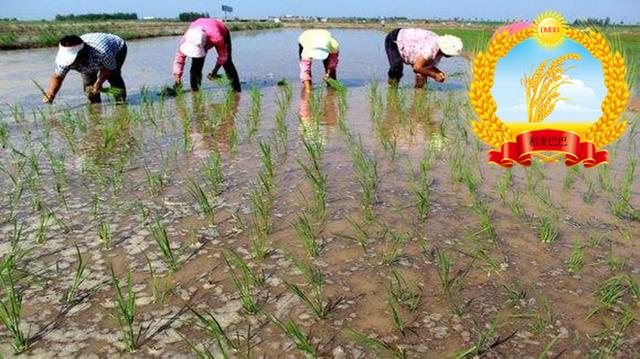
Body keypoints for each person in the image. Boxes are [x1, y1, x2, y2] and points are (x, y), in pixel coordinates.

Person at [43, 33, 127, 104]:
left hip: (117, 48)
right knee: (88, 83)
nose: (70, 64)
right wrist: (51, 94)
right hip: (91, 57)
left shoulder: (102, 53)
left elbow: (109, 69)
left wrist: (99, 82)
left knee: (113, 76)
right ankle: (95, 105)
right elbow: (58, 77)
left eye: (73, 60)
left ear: (82, 53)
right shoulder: (63, 58)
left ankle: (120, 102)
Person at [172, 18, 241, 93]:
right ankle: (195, 92)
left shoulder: (217, 38)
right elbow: (179, 61)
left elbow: (223, 56)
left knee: (227, 63)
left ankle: (237, 91)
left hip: (220, 30)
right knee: (196, 66)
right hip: (200, 32)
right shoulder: (185, 40)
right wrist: (177, 79)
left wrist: (214, 72)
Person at [384, 28, 462, 88]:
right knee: (397, 67)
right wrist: (434, 75)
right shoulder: (431, 48)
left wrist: (437, 72)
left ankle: (419, 95)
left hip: (412, 46)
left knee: (422, 73)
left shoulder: (438, 49)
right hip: (395, 39)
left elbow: (426, 67)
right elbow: (417, 67)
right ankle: (392, 90)